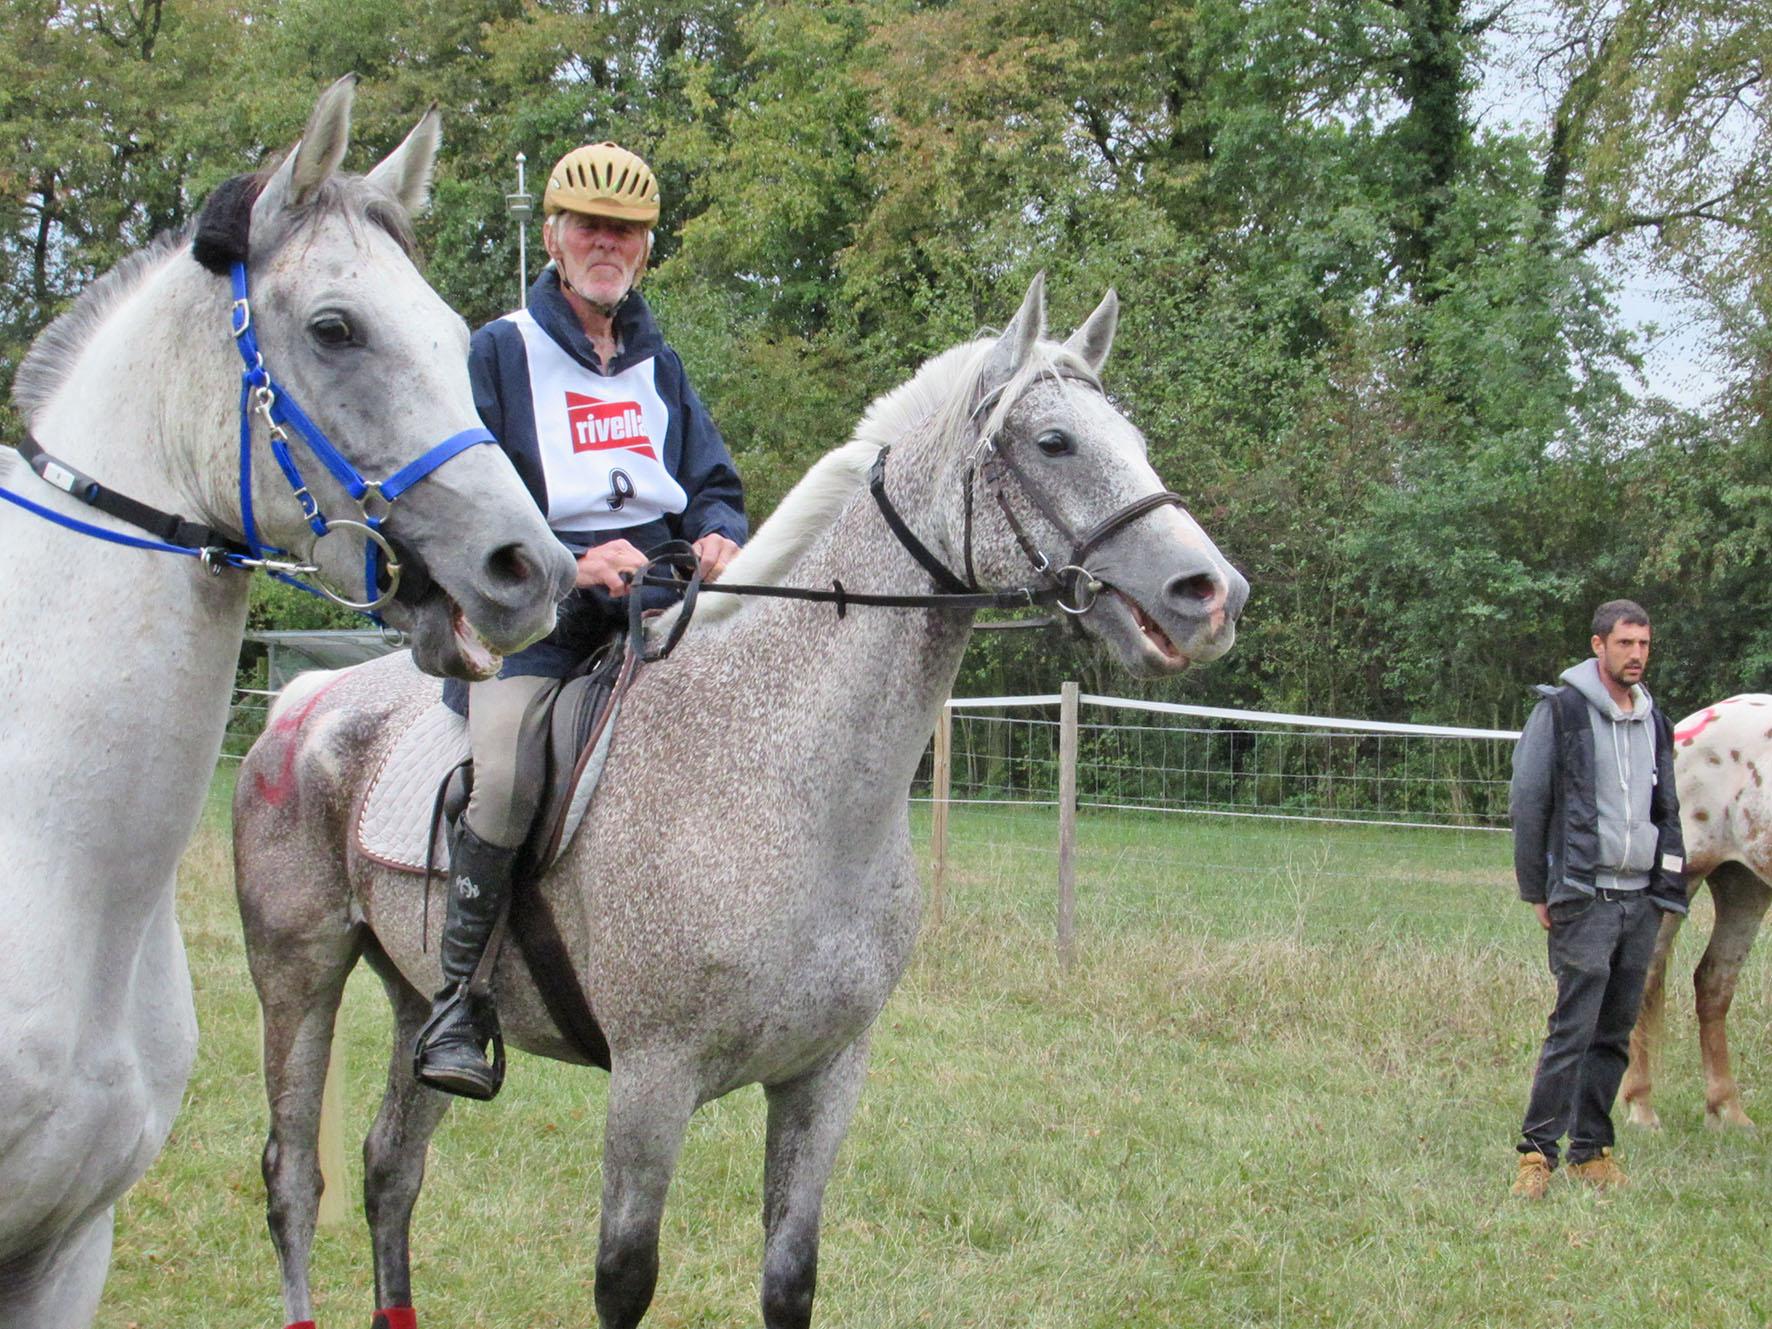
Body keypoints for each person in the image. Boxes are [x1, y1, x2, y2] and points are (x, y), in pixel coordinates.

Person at [412, 142, 746, 1100]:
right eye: (590, 226)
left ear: (645, 248)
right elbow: (464, 505)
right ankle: (456, 1001)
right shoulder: (501, 350)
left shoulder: (659, 363)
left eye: (625, 231)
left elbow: (714, 487)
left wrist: (720, 536)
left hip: (659, 612)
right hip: (540, 622)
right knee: (510, 771)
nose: (607, 243)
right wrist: (570, 563)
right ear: (555, 236)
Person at [1508, 599, 1687, 1197]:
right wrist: (1538, 890)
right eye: (1625, 643)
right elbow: (1529, 803)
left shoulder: (1655, 721)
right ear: (1598, 646)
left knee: (1614, 1031)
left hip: (1642, 901)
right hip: (1584, 898)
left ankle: (1592, 1150)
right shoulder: (1559, 713)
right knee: (1573, 1029)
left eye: (1644, 644)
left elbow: (1667, 810)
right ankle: (1536, 1155)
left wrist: (1668, 888)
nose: (1636, 655)